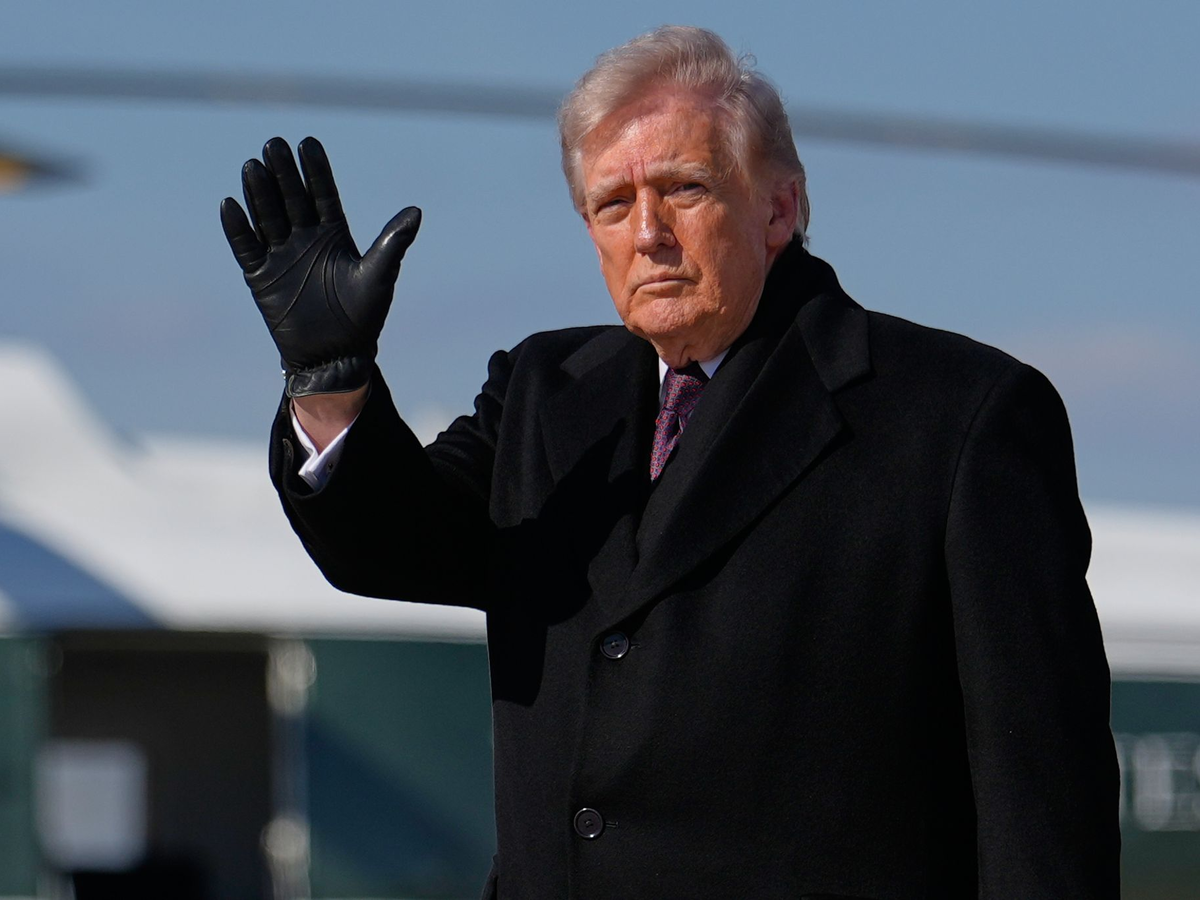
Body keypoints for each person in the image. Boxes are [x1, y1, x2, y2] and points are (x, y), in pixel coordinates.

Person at [221, 26, 1119, 900]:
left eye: (684, 188)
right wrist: (330, 384)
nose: (647, 231)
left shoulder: (958, 417)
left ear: (779, 208)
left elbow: (1042, 801)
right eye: (613, 204)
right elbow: (392, 545)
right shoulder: (544, 391)